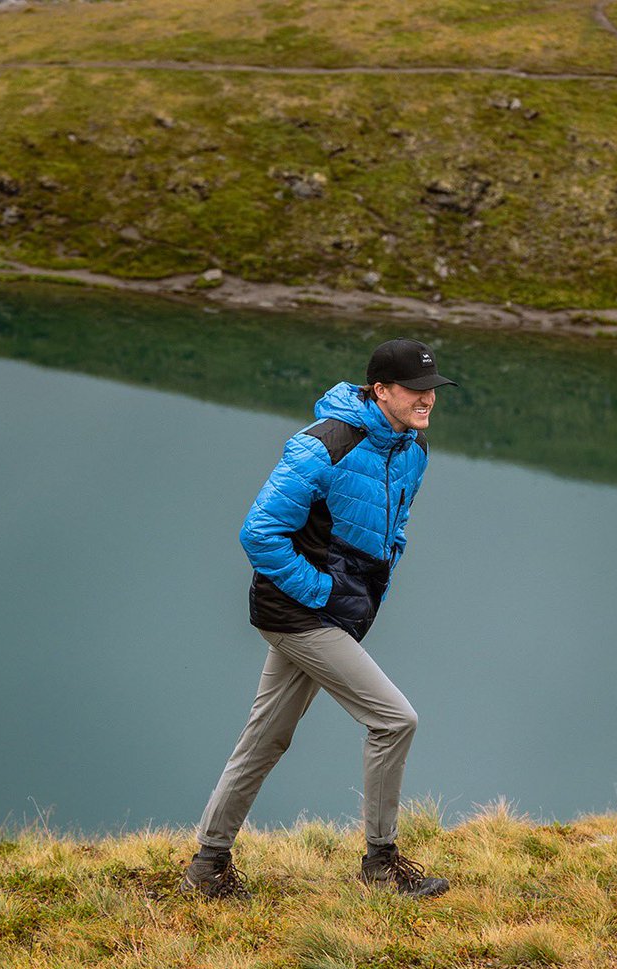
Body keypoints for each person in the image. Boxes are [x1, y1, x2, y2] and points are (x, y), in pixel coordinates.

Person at [180, 337, 456, 901]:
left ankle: (207, 867)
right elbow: (259, 533)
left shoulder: (410, 448)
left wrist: (381, 571)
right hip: (298, 614)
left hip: (337, 610)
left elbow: (393, 525)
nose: (428, 400)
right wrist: (324, 592)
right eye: (417, 390)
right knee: (393, 720)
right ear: (381, 390)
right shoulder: (321, 446)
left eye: (433, 390)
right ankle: (380, 866)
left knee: (265, 739)